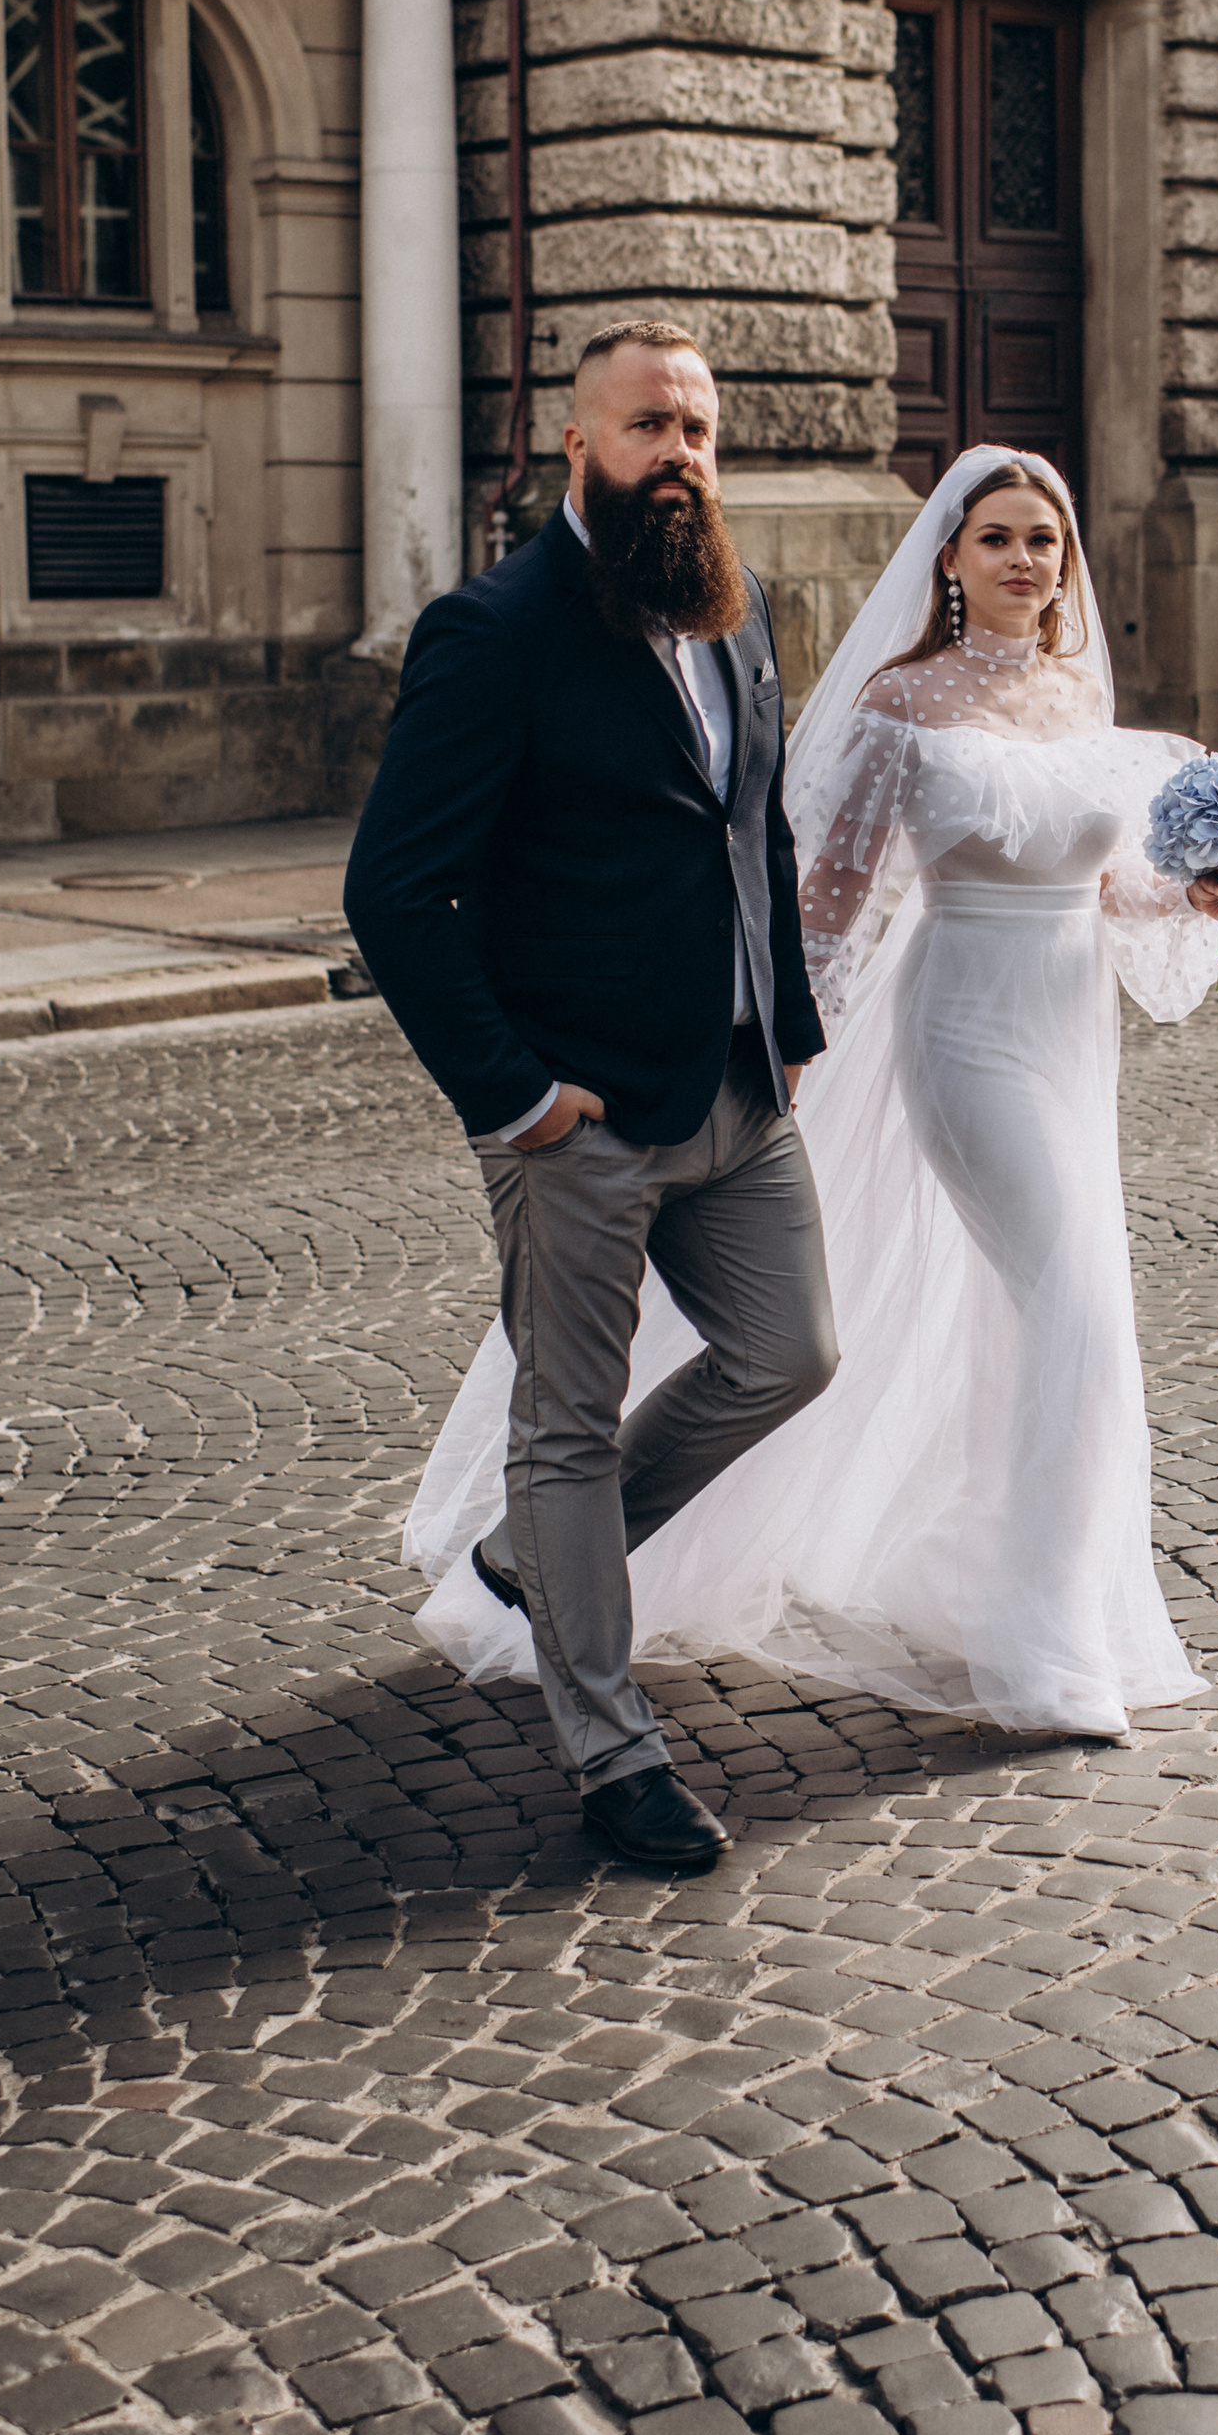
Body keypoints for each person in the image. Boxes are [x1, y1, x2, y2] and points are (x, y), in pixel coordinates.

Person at [407, 448, 1218, 1749]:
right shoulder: (904, 701)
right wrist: (772, 1055)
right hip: (966, 1036)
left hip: (1071, 1037)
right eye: (998, 538)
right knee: (1078, 1312)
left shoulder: (1079, 694)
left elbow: (1099, 883)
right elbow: (827, 906)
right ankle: (1051, 1648)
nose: (1025, 560)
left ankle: (1006, 1580)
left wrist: (1193, 891)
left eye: (1044, 540)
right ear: (949, 559)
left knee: (1047, 1321)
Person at [344, 323, 836, 1876]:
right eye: (647, 427)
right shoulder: (493, 631)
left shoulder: (738, 607)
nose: (678, 454)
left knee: (791, 1353)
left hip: (738, 1086)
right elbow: (391, 891)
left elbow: (757, 832)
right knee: (565, 1426)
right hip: (582, 1116)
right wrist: (515, 1094)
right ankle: (616, 1758)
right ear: (579, 444)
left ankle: (535, 1555)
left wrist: (791, 1018)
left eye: (697, 428)